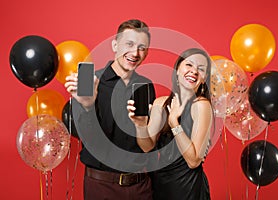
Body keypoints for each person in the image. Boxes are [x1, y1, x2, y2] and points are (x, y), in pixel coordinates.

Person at [65, 19, 156, 200]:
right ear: (115, 45)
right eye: (129, 44)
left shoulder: (145, 86)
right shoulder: (90, 82)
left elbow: (148, 144)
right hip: (101, 187)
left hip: (141, 187)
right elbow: (90, 141)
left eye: (142, 47)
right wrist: (88, 105)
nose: (135, 53)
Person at [127, 48, 214, 199]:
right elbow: (147, 146)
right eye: (189, 65)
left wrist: (174, 122)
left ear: (204, 78)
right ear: (178, 70)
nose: (194, 71)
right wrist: (140, 124)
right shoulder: (160, 103)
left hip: (188, 187)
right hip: (161, 185)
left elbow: (193, 161)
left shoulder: (201, 105)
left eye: (201, 69)